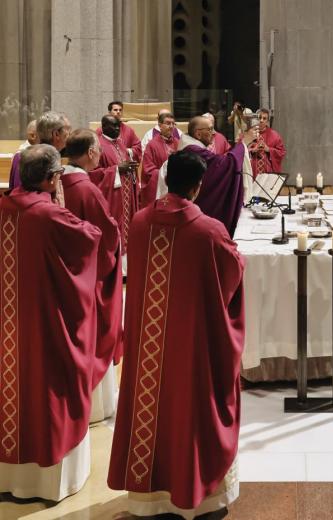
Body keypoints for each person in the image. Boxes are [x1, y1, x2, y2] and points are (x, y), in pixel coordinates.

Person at [108, 150, 245, 518]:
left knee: (153, 411)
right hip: (192, 345)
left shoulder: (139, 221)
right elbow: (230, 276)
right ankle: (197, 495)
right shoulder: (209, 231)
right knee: (192, 407)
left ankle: (150, 498)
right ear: (198, 187)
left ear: (167, 180)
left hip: (149, 350)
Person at [0, 144, 101, 501]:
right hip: (44, 320)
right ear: (53, 178)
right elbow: (91, 239)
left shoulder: (3, 207)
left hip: (8, 325)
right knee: (47, 383)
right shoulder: (50, 215)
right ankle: (44, 481)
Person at [61, 129, 123, 422]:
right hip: (89, 276)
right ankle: (97, 406)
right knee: (95, 332)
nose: (101, 153)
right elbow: (106, 233)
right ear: (89, 153)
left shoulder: (57, 182)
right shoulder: (86, 189)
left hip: (65, 274)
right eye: (98, 149)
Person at [175, 115, 256, 236]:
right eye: (210, 129)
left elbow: (220, 160)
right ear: (198, 134)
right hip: (196, 214)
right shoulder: (193, 151)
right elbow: (225, 164)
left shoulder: (191, 147)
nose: (214, 133)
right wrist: (243, 143)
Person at [89, 114, 139, 262]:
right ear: (104, 127)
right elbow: (93, 174)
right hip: (111, 198)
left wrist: (130, 169)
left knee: (127, 228)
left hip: (126, 195)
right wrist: (117, 170)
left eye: (119, 125)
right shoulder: (99, 147)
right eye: (113, 126)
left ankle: (125, 267)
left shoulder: (121, 144)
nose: (117, 129)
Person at [9, 112, 70, 190]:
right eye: (68, 129)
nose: (69, 134)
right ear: (56, 134)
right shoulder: (25, 158)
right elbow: (19, 194)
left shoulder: (58, 156)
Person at [141, 112, 179, 208]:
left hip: (177, 186)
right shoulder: (152, 145)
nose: (171, 126)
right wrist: (165, 175)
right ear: (160, 126)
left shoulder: (179, 143)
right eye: (167, 123)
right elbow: (148, 169)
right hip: (160, 186)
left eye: (173, 124)